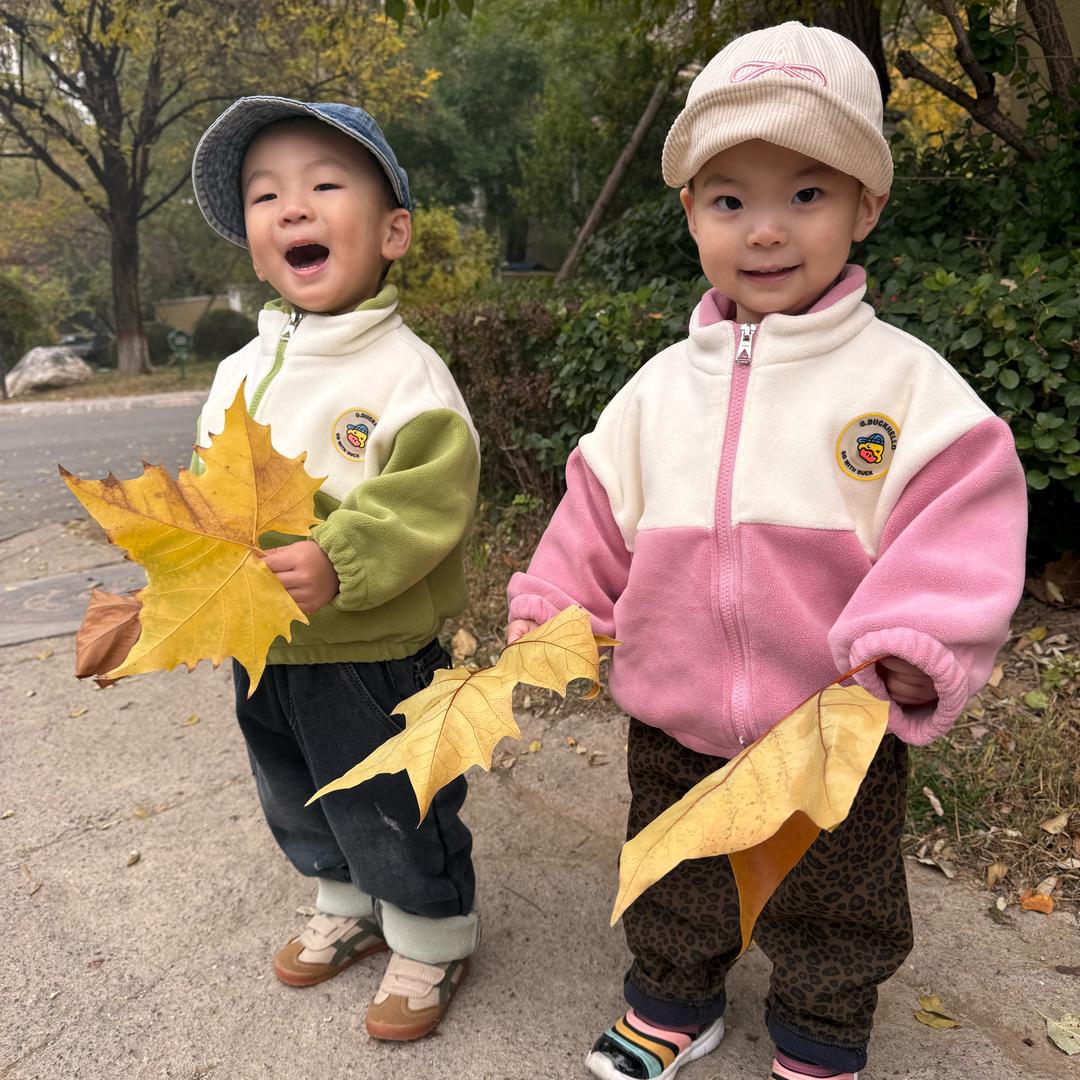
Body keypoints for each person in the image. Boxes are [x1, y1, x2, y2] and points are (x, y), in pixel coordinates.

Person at [506, 23, 1026, 1080]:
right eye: (730, 198)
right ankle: (670, 997)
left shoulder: (905, 386)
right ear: (691, 210)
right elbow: (595, 513)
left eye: (807, 193)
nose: (767, 230)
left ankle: (821, 1024)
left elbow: (960, 519)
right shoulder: (657, 392)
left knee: (840, 887)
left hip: (833, 717)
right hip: (677, 706)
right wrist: (556, 603)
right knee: (675, 866)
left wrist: (915, 636)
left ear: (866, 204)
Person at [189, 96, 480, 1041]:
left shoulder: (406, 373)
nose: (293, 208)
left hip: (372, 646)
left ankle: (433, 932)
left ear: (393, 230)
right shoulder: (240, 369)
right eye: (265, 194)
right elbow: (210, 481)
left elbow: (428, 498)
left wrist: (343, 557)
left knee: (390, 795)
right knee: (291, 781)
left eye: (323, 184)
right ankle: (343, 901)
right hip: (266, 642)